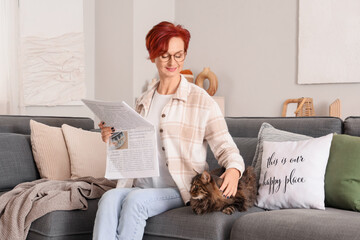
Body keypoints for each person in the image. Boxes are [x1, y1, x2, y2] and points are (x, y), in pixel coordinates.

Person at [92, 21, 245, 240]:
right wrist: (112, 137)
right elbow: (132, 149)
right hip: (141, 185)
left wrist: (234, 169)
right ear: (153, 56)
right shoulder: (143, 101)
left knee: (135, 202)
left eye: (179, 55)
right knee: (108, 199)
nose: (173, 62)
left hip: (178, 188)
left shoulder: (200, 100)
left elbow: (226, 146)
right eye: (165, 55)